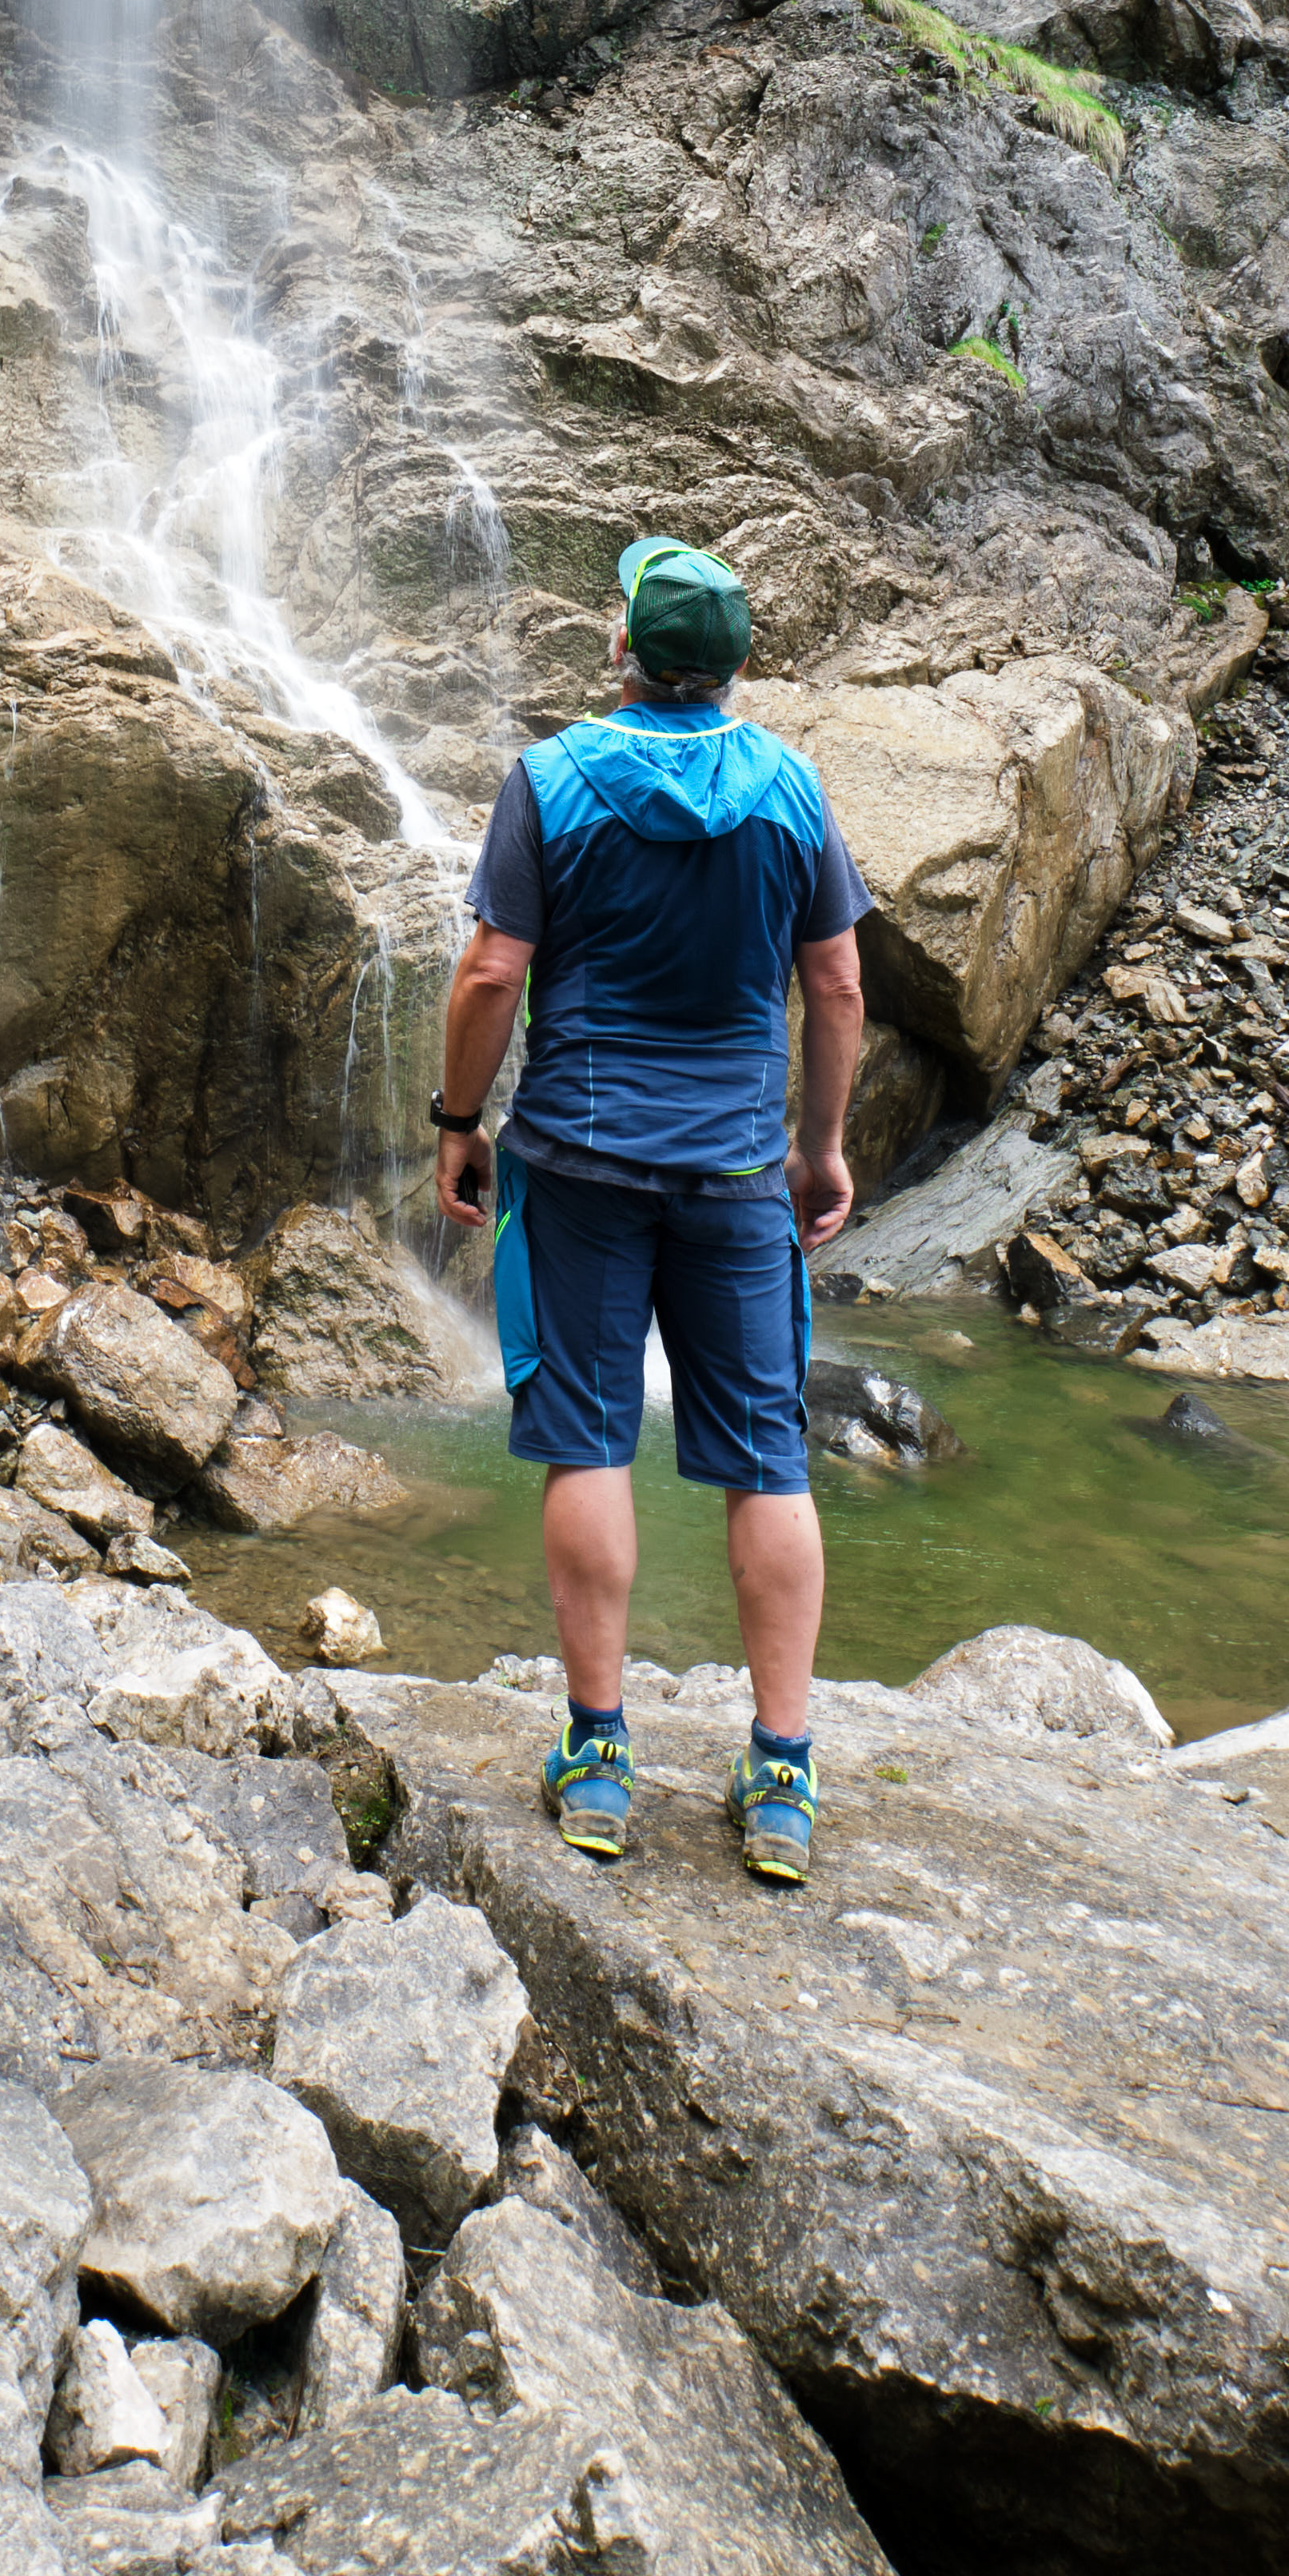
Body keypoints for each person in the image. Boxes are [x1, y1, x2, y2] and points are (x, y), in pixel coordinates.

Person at [429, 533, 868, 1884]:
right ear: (735, 667)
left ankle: (600, 1752)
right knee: (768, 1456)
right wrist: (822, 1149)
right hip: (739, 1175)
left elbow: (495, 971)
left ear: (620, 647)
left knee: (588, 1442)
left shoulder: (552, 780)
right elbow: (841, 988)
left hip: (579, 1159)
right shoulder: (789, 788)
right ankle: (782, 1773)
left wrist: (458, 1122)